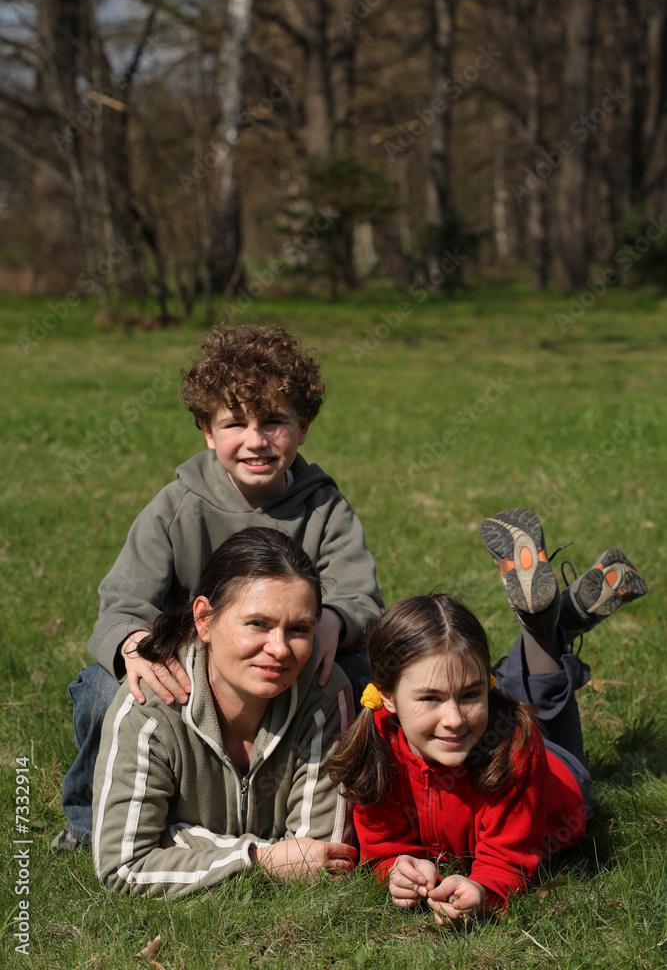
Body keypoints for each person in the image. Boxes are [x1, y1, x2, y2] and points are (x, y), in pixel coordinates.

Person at [57, 324, 383, 850]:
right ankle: (90, 816)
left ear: (303, 427)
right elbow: (122, 602)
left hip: (287, 649)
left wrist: (334, 620)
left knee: (366, 678)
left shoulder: (325, 507)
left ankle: (359, 809)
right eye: (235, 423)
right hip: (188, 660)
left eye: (274, 421)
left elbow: (361, 596)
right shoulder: (175, 506)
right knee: (103, 688)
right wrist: (133, 645)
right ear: (208, 431)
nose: (256, 440)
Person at [328, 506, 647, 922]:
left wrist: (483, 890)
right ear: (386, 697)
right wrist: (399, 868)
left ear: (488, 686)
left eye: (470, 694)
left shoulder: (516, 745)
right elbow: (385, 845)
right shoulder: (374, 745)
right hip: (495, 730)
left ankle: (543, 628)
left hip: (558, 779)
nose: (454, 718)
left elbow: (510, 856)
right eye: (430, 699)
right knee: (526, 688)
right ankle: (550, 626)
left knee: (542, 703)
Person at [93, 527, 357, 896]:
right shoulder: (150, 705)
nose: (280, 648)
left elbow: (321, 856)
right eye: (258, 624)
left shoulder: (323, 693)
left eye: (298, 629)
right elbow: (123, 866)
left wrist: (177, 840)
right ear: (204, 619)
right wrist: (258, 859)